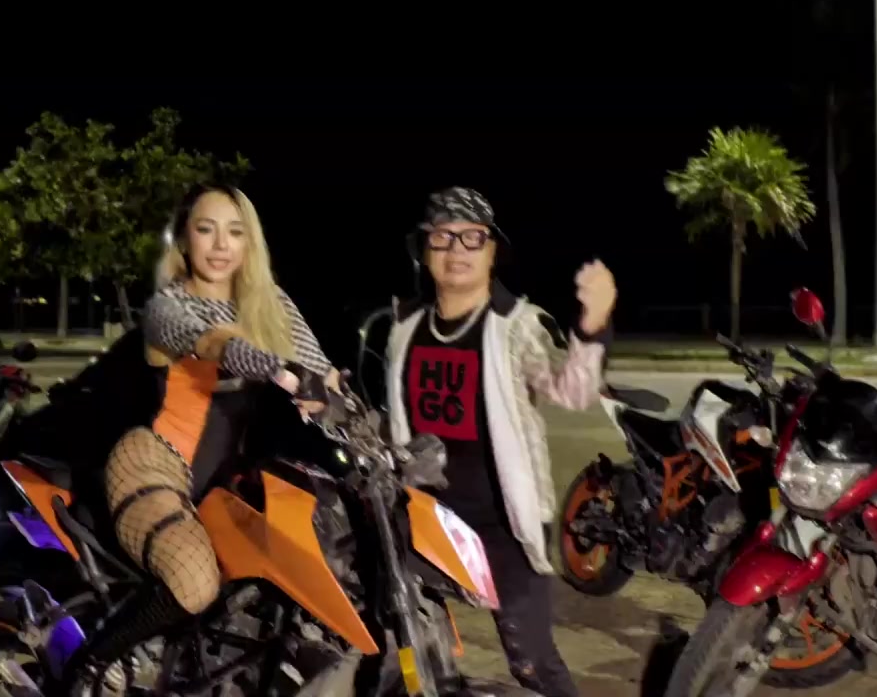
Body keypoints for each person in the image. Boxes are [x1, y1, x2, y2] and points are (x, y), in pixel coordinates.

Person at [383, 186, 616, 697]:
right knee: (401, 640)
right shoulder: (404, 327)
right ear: (424, 250)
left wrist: (593, 323)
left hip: (503, 522)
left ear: (491, 252)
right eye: (443, 237)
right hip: (426, 516)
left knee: (530, 659)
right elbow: (397, 417)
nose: (457, 250)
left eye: (472, 238)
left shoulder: (517, 326)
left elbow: (573, 391)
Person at [102, 183, 337, 637]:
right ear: (184, 239)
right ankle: (89, 667)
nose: (221, 245)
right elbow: (210, 343)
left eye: (235, 231)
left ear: (251, 243)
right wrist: (275, 367)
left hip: (228, 481)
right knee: (195, 584)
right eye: (206, 229)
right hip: (153, 466)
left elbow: (322, 373)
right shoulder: (168, 306)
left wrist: (359, 418)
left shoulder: (273, 305)